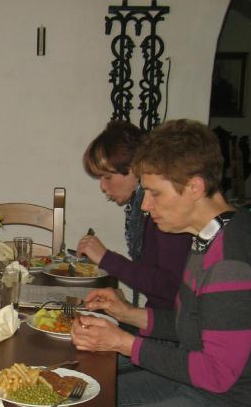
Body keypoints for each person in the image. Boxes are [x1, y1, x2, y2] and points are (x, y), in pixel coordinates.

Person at [73, 119, 251, 407]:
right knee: (83, 402)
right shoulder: (210, 236)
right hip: (197, 388)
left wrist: (123, 342)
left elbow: (216, 372)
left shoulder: (233, 260)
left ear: (195, 187)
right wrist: (127, 313)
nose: (145, 206)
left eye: (156, 194)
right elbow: (190, 325)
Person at [76, 120, 192, 309]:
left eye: (107, 177)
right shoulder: (137, 210)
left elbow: (170, 288)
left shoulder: (163, 214)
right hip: (153, 315)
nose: (103, 187)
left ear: (134, 168)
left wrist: (107, 258)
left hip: (170, 322)